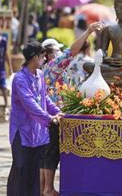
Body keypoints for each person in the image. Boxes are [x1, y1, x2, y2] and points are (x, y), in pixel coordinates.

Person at [40, 22, 103, 196]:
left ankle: (44, 187)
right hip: (55, 115)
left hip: (49, 115)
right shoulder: (53, 67)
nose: (60, 53)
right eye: (56, 51)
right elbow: (71, 52)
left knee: (47, 153)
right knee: (52, 152)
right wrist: (89, 31)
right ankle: (47, 188)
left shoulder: (45, 69)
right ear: (48, 55)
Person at [7, 41, 64, 196]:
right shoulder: (19, 79)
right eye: (42, 56)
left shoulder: (39, 75)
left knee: (35, 172)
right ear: (34, 58)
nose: (45, 59)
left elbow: (45, 99)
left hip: (39, 133)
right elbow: (30, 104)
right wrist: (50, 119)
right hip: (22, 132)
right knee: (21, 168)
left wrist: (59, 113)